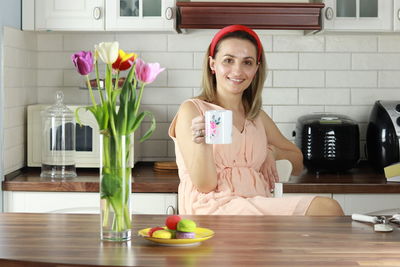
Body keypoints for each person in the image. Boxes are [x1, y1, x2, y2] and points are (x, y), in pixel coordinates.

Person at [168, 25, 343, 216]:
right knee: (327, 209)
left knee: (327, 211)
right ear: (212, 64)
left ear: (256, 69)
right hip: (213, 209)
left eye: (247, 63)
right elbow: (205, 185)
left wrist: (272, 152)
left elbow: (298, 163)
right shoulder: (193, 110)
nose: (237, 71)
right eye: (228, 60)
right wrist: (202, 144)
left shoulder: (257, 117)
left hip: (256, 206)